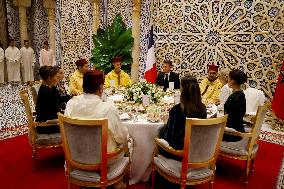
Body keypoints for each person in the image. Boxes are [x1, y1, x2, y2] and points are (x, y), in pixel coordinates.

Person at [65, 70, 128, 189]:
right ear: (100, 88)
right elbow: (121, 138)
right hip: (104, 160)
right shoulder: (108, 108)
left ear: (83, 86)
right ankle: (117, 183)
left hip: (75, 155)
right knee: (129, 141)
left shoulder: (70, 104)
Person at [159, 75, 207, 160]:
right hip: (198, 151)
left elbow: (169, 138)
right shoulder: (202, 108)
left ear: (182, 89)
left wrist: (166, 124)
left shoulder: (177, 110)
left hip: (178, 153)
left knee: (159, 132)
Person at [35, 66, 67, 133]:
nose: (58, 79)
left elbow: (60, 99)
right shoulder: (46, 92)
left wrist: (72, 96)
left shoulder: (50, 87)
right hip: (47, 125)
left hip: (51, 120)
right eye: (56, 77)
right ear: (49, 78)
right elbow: (52, 113)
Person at [222, 69, 247, 142]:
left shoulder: (233, 98)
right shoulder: (242, 94)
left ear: (232, 81)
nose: (227, 80)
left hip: (232, 133)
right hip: (239, 129)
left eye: (228, 78)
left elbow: (229, 119)